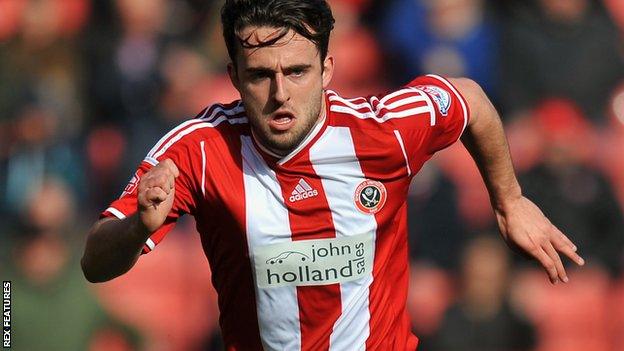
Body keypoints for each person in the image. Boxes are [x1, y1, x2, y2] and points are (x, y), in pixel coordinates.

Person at [81, 0, 585, 350]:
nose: (280, 93)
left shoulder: (382, 133)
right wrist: (137, 228)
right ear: (234, 77)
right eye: (260, 75)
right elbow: (95, 262)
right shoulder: (198, 150)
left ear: (326, 70)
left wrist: (510, 200)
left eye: (297, 72)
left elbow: (468, 99)